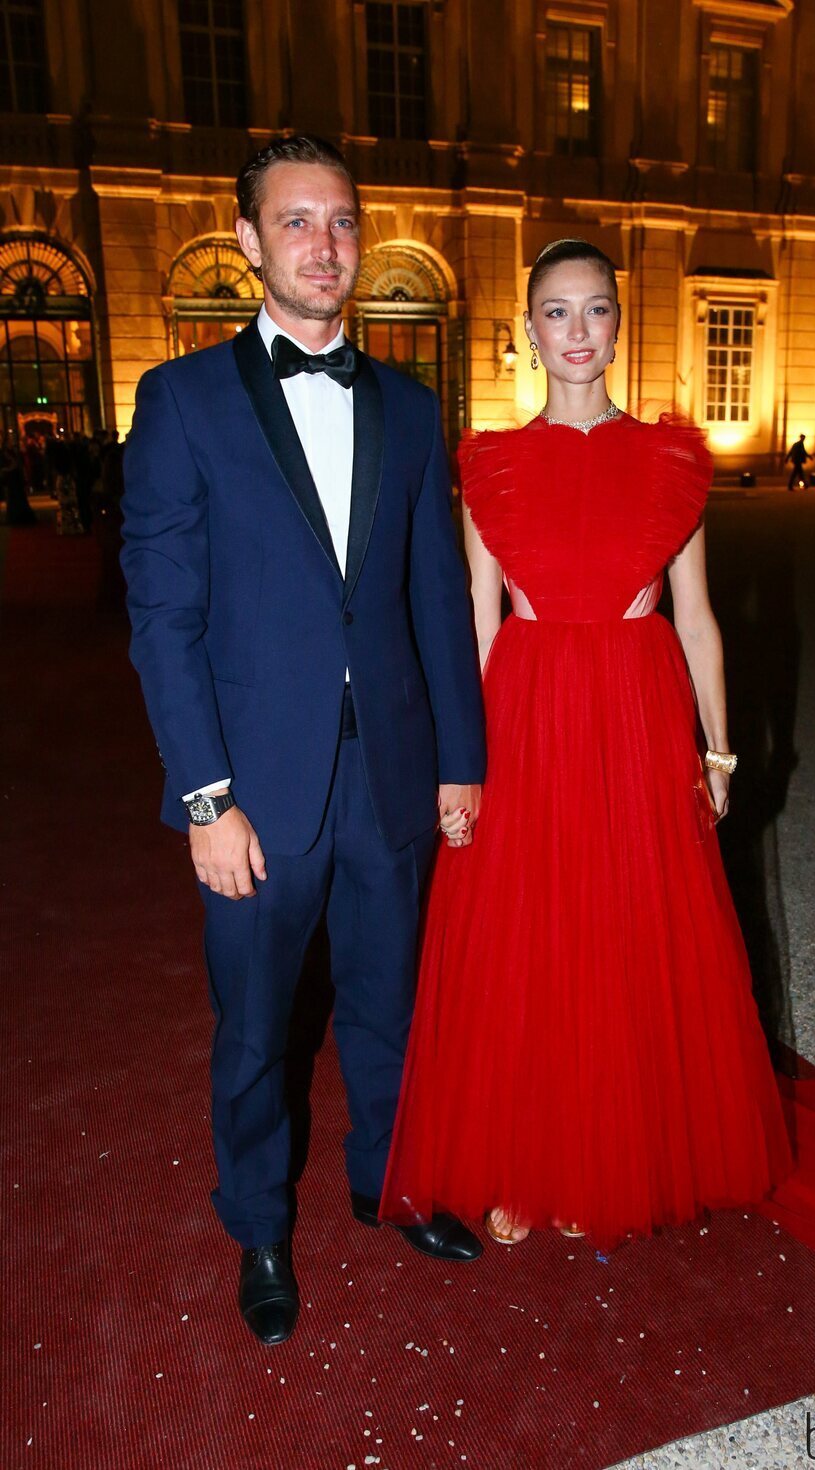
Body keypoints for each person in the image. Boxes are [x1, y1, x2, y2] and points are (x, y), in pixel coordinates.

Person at [381, 239, 815, 1251]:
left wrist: (716, 755)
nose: (577, 332)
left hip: (634, 711)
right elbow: (477, 626)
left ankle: (602, 1159)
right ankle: (520, 1160)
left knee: (621, 932)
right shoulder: (486, 463)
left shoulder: (670, 459)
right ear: (528, 332)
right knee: (525, 941)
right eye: (556, 313)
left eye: (595, 311)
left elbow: (698, 619)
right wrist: (466, 764)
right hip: (526, 715)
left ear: (618, 323)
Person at [121, 135, 487, 1348]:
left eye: (340, 222)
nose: (324, 245)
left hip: (387, 769)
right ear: (248, 244)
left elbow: (436, 599)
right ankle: (258, 1228)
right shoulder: (180, 400)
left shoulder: (411, 406)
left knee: (390, 999)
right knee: (257, 1025)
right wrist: (203, 797)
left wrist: (460, 760)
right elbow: (163, 616)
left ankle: (385, 1177)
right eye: (296, 223)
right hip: (253, 792)